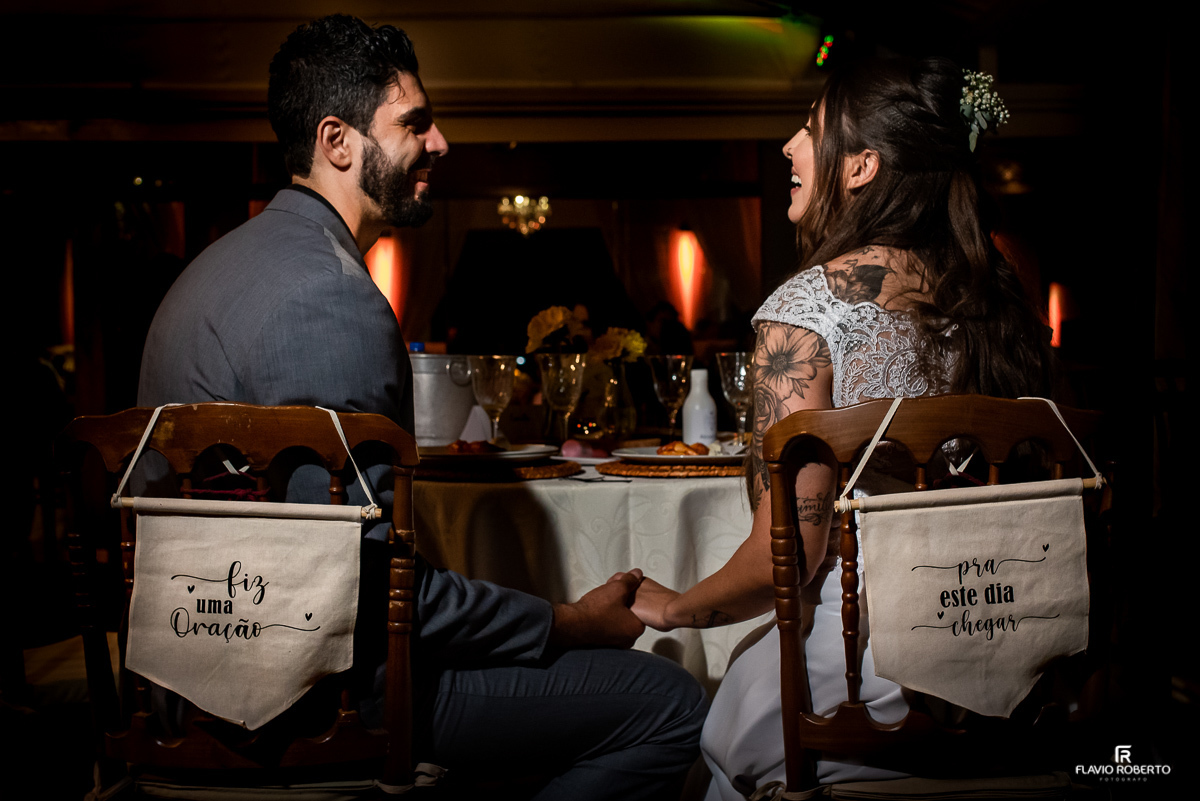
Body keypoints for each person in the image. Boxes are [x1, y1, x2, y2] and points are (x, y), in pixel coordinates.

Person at [137, 15, 705, 799]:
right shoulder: (330, 300)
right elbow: (364, 586)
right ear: (338, 141)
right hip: (313, 700)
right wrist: (571, 621)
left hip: (186, 679)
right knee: (670, 702)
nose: (439, 143)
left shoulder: (211, 271)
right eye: (415, 122)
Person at [629, 57, 1051, 798]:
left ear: (861, 167)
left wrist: (670, 606)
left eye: (812, 130)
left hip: (865, 683)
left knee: (723, 728)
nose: (790, 147)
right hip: (1016, 668)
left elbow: (783, 560)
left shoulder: (805, 313)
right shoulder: (1003, 302)